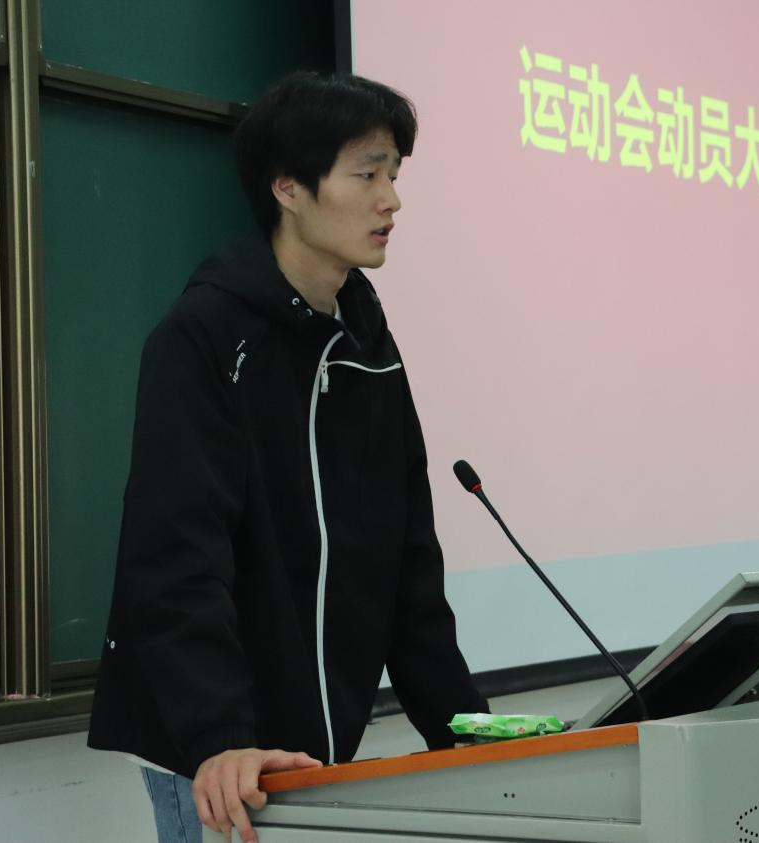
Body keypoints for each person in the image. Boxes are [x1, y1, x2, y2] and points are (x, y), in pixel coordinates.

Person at [87, 71, 488, 843]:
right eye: (366, 175)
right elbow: (175, 556)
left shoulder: (368, 345)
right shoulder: (203, 335)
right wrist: (220, 735)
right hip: (215, 753)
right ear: (287, 187)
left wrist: (467, 732)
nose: (391, 201)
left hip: (313, 747)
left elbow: (408, 566)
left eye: (394, 175)